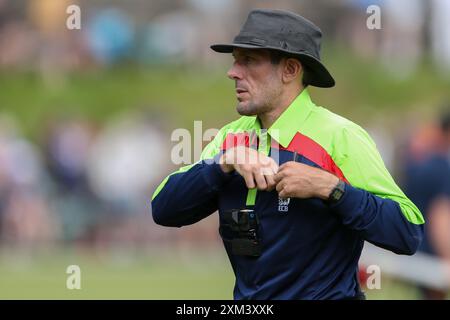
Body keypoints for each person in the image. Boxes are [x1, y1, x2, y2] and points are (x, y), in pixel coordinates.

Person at [151, 9, 424, 300]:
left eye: (249, 61)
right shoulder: (228, 140)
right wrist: (223, 164)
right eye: (235, 61)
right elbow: (164, 210)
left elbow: (407, 232)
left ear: (290, 70)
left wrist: (332, 189)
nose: (233, 72)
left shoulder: (341, 137)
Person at [403, 110, 450, 300]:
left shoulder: (421, 165)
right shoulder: (443, 169)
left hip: (415, 250)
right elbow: (441, 215)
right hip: (434, 257)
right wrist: (447, 259)